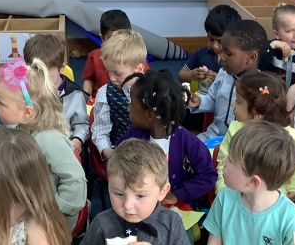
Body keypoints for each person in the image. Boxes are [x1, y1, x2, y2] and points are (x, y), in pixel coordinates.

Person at [0, 59, 87, 231]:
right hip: (28, 205)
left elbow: (76, 182)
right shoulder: (16, 128)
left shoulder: (50, 140)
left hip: (49, 220)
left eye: (1, 102)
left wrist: (50, 211)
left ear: (27, 112)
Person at [115, 69, 217, 210]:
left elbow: (208, 175)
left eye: (132, 104)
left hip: (176, 207)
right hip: (137, 204)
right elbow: (114, 163)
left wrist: (177, 195)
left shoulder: (187, 141)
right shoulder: (132, 136)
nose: (128, 108)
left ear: (150, 115)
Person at [215, 71, 295, 203]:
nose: (233, 104)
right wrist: (223, 191)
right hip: (235, 200)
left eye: (238, 101)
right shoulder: (235, 129)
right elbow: (223, 164)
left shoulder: (292, 138)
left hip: (277, 203)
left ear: (257, 114)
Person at [188, 19, 268, 141]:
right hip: (212, 137)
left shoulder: (261, 87)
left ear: (251, 57)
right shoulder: (222, 74)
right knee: (185, 146)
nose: (221, 57)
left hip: (240, 144)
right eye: (222, 51)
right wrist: (199, 102)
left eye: (228, 53)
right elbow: (212, 99)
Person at [23, 33, 89, 154]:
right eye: (35, 70)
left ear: (61, 68)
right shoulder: (23, 91)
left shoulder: (75, 94)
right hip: (33, 149)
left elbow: (81, 124)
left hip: (64, 147)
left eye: (47, 72)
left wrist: (77, 140)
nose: (41, 79)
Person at [91, 29, 147, 160]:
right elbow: (101, 130)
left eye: (117, 73)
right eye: (108, 71)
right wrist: (107, 151)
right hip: (120, 155)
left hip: (151, 154)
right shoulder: (105, 93)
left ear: (139, 69)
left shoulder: (154, 89)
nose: (111, 78)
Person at [178, 4, 241, 94]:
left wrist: (220, 81)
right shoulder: (201, 53)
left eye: (220, 41)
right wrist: (191, 75)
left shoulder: (238, 60)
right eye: (211, 39)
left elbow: (242, 89)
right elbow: (181, 75)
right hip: (201, 99)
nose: (214, 45)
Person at [82, 9, 135, 98]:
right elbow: (89, 80)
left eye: (120, 38)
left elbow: (145, 81)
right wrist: (86, 96)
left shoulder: (136, 57)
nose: (116, 43)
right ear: (102, 38)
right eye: (111, 38)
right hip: (100, 100)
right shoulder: (94, 56)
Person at [258, 3, 295, 88]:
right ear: (276, 34)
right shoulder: (269, 48)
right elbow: (259, 69)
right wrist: (271, 47)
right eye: (289, 31)